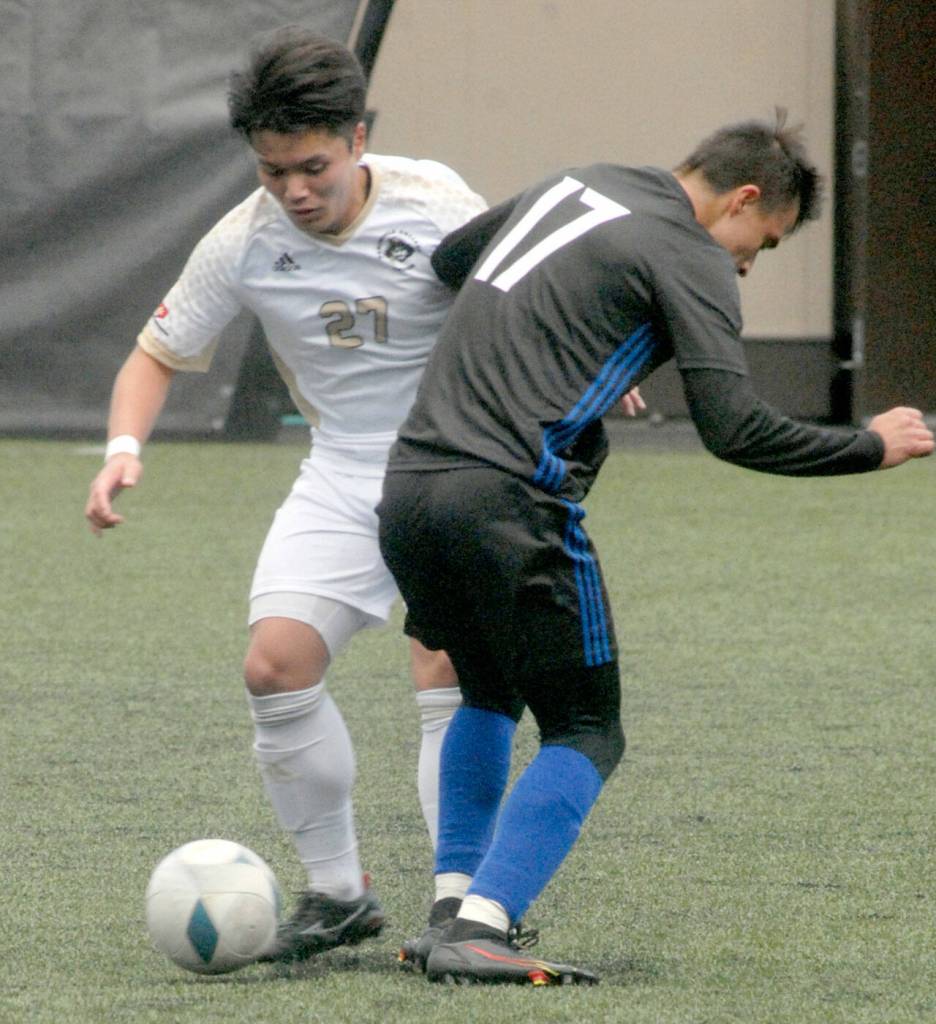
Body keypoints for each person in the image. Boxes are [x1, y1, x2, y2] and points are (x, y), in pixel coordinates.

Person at [377, 111, 934, 986]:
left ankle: (449, 912)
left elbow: (455, 261)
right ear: (743, 199)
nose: (749, 262)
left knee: (487, 690)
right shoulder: (692, 253)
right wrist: (868, 446)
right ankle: (485, 922)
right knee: (588, 727)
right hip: (508, 501)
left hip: (408, 491)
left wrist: (574, 340)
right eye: (766, 242)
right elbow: (735, 428)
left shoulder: (581, 178)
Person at [83, 25, 491, 963]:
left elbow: (516, 298)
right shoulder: (246, 239)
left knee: (443, 669)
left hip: (455, 465)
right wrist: (121, 447)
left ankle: (460, 906)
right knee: (274, 666)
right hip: (343, 472)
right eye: (273, 172)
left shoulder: (436, 204)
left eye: (312, 166)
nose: (295, 191)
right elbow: (156, 352)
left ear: (356, 136)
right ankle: (341, 893)